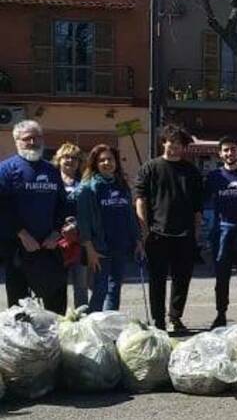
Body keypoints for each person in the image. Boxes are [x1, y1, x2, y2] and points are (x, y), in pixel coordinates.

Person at [134, 124, 204, 332]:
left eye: (179, 143)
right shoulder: (150, 167)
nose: (174, 146)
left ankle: (175, 317)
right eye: (170, 141)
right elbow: (140, 199)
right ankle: (159, 321)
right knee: (157, 280)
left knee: (182, 279)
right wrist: (144, 229)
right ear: (163, 142)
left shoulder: (191, 171)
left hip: (185, 234)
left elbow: (197, 207)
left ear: (183, 147)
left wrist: (197, 232)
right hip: (157, 233)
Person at [0, 120, 69, 313]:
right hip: (17, 248)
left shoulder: (52, 170)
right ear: (17, 142)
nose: (32, 142)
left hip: (49, 247)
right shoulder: (6, 170)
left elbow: (62, 205)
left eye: (36, 137)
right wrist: (21, 233)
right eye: (27, 138)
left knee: (55, 305)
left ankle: (54, 342)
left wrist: (56, 232)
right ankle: (23, 343)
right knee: (20, 309)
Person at [76, 144, 142, 312]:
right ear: (95, 164)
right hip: (100, 248)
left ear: (116, 162)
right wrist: (89, 249)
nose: (107, 163)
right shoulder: (88, 188)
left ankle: (109, 326)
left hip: (120, 245)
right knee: (100, 289)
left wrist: (138, 240)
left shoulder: (121, 185)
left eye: (110, 159)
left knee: (115, 288)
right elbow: (83, 222)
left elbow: (130, 215)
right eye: (102, 160)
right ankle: (93, 326)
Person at [205, 136, 237, 327]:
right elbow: (204, 202)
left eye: (233, 149)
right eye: (226, 150)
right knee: (221, 278)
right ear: (220, 154)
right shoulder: (214, 177)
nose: (229, 153)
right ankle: (221, 314)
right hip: (222, 233)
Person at [55, 142, 89, 309]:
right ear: (59, 159)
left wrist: (77, 226)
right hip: (55, 241)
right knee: (56, 284)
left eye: (74, 158)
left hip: (79, 241)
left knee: (81, 285)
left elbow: (89, 212)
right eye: (66, 157)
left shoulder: (84, 183)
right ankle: (58, 320)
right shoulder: (52, 181)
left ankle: (81, 321)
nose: (70, 160)